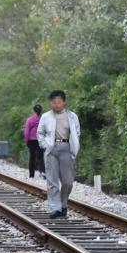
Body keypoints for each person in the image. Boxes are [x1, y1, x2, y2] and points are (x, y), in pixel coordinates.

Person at [38, 90, 81, 218]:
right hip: (51, 149)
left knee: (68, 182)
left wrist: (74, 147)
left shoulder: (72, 116)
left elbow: (77, 133)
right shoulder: (46, 116)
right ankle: (56, 208)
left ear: (64, 102)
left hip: (66, 148)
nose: (56, 105)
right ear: (51, 103)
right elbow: (40, 133)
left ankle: (63, 205)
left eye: (58, 102)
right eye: (53, 102)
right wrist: (45, 145)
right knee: (52, 181)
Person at [24, 104, 45, 179]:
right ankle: (43, 172)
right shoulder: (43, 119)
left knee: (32, 157)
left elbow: (26, 132)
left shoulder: (30, 120)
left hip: (31, 140)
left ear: (33, 110)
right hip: (40, 140)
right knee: (41, 157)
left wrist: (26, 141)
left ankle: (31, 175)